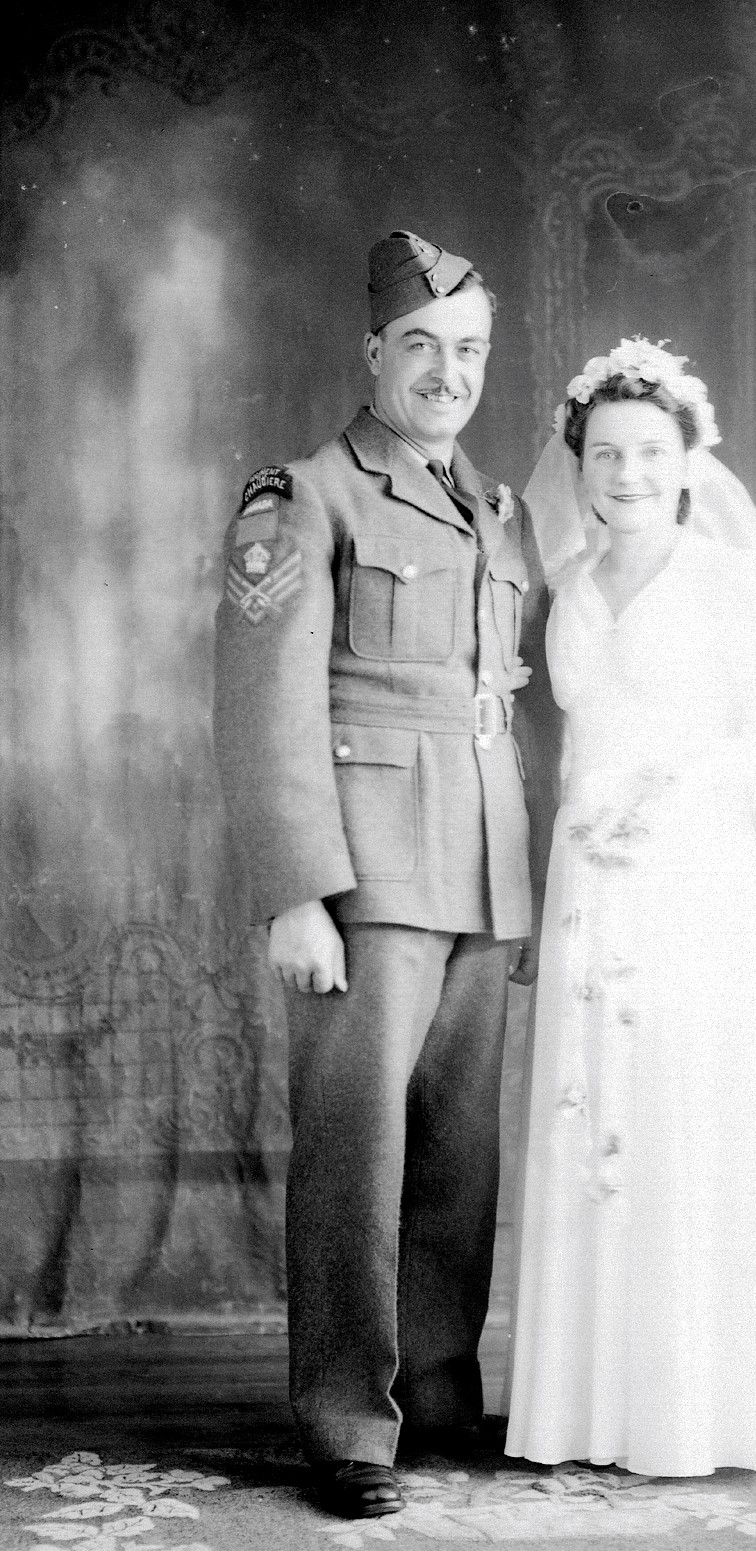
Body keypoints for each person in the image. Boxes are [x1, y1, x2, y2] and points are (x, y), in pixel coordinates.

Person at [213, 230, 558, 1518]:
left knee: (457, 1156)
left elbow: (506, 700)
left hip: (480, 865)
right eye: (422, 346)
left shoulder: (497, 508)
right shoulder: (306, 493)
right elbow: (264, 704)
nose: (448, 373)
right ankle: (350, 1426)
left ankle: (442, 1397)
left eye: (468, 351)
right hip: (364, 871)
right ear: (373, 354)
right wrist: (296, 888)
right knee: (357, 1157)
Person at [504, 338, 756, 1478]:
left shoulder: (729, 582)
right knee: (585, 1113)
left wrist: (681, 796)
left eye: (650, 451)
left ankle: (698, 1412)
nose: (627, 473)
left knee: (683, 1115)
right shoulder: (560, 585)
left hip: (691, 879)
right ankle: (583, 1415)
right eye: (605, 452)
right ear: (579, 462)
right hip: (588, 888)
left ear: (690, 459)